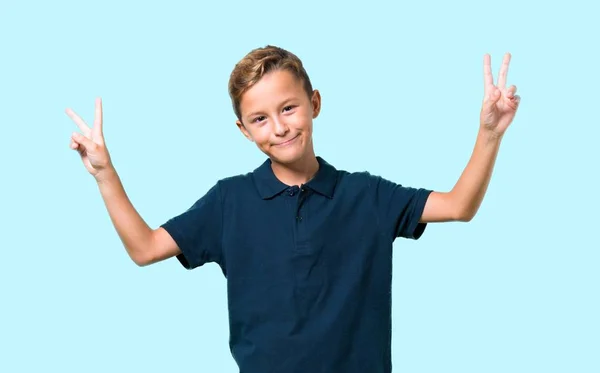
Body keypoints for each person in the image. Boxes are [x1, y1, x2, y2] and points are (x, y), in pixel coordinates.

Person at [66, 45, 520, 372]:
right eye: (260, 119)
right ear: (244, 131)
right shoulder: (229, 202)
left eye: (289, 108)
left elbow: (460, 206)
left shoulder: (368, 195)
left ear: (314, 103)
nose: (279, 127)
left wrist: (490, 134)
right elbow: (144, 248)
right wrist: (105, 173)